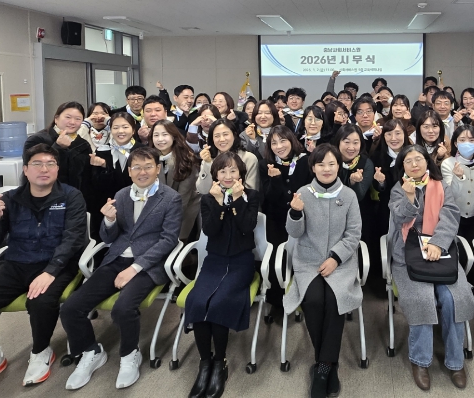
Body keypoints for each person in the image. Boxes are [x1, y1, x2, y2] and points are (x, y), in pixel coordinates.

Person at [60, 146, 182, 390]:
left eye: (148, 166)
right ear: (129, 171)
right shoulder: (122, 194)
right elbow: (109, 237)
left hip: (148, 264)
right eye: (137, 167)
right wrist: (109, 220)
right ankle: (91, 351)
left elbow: (168, 240)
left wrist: (135, 268)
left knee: (123, 308)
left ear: (158, 169)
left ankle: (129, 354)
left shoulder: (170, 198)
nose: (142, 172)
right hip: (116, 259)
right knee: (71, 308)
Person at [0, 144, 87, 387]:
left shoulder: (71, 196)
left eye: (50, 164)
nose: (44, 169)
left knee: (40, 301)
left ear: (57, 169)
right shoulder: (10, 199)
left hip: (57, 263)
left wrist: (50, 271)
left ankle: (41, 351)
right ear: (25, 169)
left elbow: (73, 238)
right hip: (16, 262)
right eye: (37, 164)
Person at [388, 145, 474, 391]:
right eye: (408, 161)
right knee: (421, 299)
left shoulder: (441, 186)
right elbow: (400, 219)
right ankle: (420, 360)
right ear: (402, 167)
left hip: (442, 252)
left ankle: (456, 361)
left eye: (419, 159)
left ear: (428, 162)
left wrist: (438, 243)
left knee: (454, 298)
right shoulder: (398, 189)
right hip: (408, 255)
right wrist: (409, 198)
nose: (414, 164)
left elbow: (451, 216)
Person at [284, 144, 362, 398]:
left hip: (341, 263)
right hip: (308, 261)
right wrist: (295, 212)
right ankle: (328, 363)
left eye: (331, 164)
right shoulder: (303, 193)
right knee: (315, 300)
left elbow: (354, 234)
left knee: (335, 300)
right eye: (321, 164)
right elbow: (294, 233)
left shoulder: (348, 195)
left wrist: (336, 259)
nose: (326, 169)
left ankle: (324, 366)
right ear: (313, 167)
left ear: (339, 166)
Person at [186, 152, 260, 398]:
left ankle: (220, 362)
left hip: (241, 262)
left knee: (219, 302)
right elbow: (210, 230)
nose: (228, 176)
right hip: (215, 261)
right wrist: (218, 203)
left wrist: (237, 201)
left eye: (233, 171)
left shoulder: (251, 196)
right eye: (222, 171)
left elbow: (247, 227)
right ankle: (204, 363)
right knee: (197, 301)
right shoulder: (209, 199)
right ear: (215, 174)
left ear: (241, 173)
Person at [259, 126, 312, 309]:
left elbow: (307, 190)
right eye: (274, 143)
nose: (279, 146)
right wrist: (275, 180)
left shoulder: (305, 160)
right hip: (276, 219)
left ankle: (303, 296)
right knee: (276, 257)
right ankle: (277, 301)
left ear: (292, 141)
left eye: (283, 141)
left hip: (302, 217)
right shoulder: (266, 164)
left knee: (303, 257)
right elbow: (269, 197)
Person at [87, 113, 144, 240]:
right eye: (116, 127)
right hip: (108, 205)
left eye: (125, 127)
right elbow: (96, 185)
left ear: (133, 129)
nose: (120, 131)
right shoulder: (102, 151)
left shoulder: (142, 151)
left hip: (136, 205)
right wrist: (104, 167)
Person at [370, 119, 410, 288]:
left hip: (410, 208)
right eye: (389, 134)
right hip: (385, 210)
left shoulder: (412, 154)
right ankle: (385, 280)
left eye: (398, 133)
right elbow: (376, 189)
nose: (394, 138)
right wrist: (380, 182)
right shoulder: (377, 156)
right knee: (386, 243)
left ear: (405, 135)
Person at [150, 119, 201, 241]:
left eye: (165, 134)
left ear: (173, 136)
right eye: (156, 135)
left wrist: (166, 218)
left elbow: (183, 197)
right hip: (157, 212)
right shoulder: (149, 157)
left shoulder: (187, 159)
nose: (160, 139)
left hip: (184, 209)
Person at [24, 101, 92, 190]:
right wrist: (58, 147)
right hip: (44, 193)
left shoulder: (83, 144)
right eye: (68, 117)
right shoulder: (37, 139)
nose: (72, 122)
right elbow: (33, 169)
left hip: (74, 195)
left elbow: (87, 177)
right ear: (56, 119)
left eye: (78, 119)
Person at [198, 119, 260, 193]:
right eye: (217, 136)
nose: (222, 139)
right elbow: (203, 191)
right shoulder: (209, 158)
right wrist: (208, 163)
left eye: (225, 134)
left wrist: (225, 194)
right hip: (213, 200)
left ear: (234, 135)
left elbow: (251, 191)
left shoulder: (249, 158)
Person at [333, 124, 374, 204]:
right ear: (338, 142)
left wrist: (354, 182)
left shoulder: (366, 163)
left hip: (357, 208)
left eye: (355, 143)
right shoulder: (330, 160)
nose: (351, 147)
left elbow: (359, 196)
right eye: (347, 142)